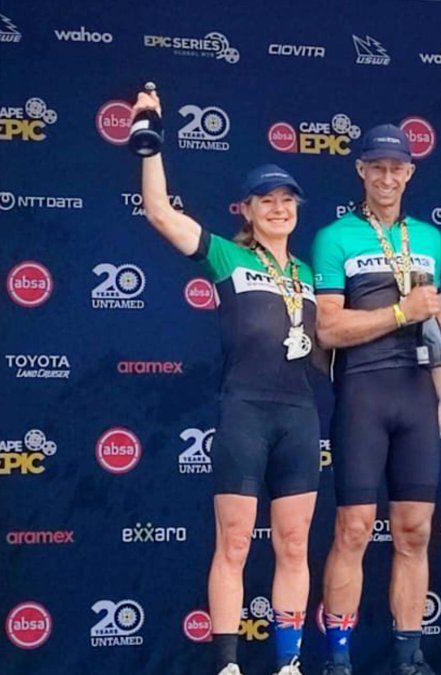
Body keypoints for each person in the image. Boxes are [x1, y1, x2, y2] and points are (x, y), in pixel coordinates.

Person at [135, 88, 319, 675]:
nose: (279, 208)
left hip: (299, 415)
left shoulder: (310, 272)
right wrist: (150, 137)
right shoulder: (225, 257)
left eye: (287, 199)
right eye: (266, 199)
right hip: (245, 410)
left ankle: (289, 665)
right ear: (245, 209)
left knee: (294, 546)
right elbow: (160, 212)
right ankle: (229, 666)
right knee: (235, 544)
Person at [313, 124, 441, 675]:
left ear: (410, 173)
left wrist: (440, 399)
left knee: (415, 530)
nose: (388, 177)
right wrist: (398, 314)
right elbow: (326, 328)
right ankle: (338, 661)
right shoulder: (335, 237)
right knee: (352, 530)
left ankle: (407, 658)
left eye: (398, 168)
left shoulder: (431, 239)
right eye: (378, 167)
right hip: (363, 393)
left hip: (417, 397)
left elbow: (437, 319)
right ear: (361, 171)